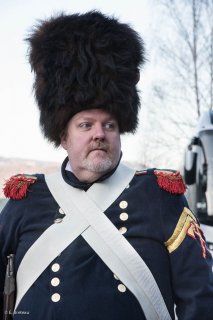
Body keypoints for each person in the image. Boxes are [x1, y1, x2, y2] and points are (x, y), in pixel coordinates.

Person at [0, 11, 213, 320]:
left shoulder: (160, 197)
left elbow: (201, 301)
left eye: (109, 125)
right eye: (86, 125)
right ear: (63, 136)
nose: (99, 134)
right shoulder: (25, 200)